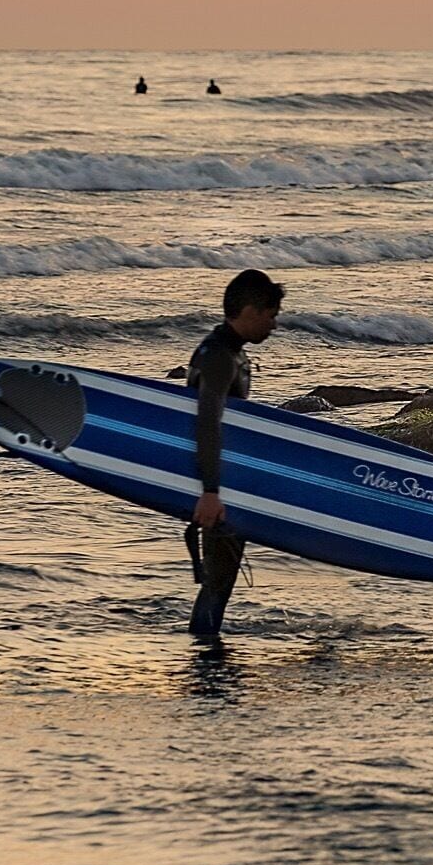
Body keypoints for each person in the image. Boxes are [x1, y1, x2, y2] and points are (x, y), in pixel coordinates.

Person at [184, 270, 284, 640]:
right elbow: (207, 423)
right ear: (249, 310)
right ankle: (205, 659)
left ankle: (206, 653)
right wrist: (211, 492)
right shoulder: (219, 357)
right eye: (270, 315)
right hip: (219, 485)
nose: (274, 325)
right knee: (218, 581)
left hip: (227, 480)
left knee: (220, 580)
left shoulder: (228, 351)